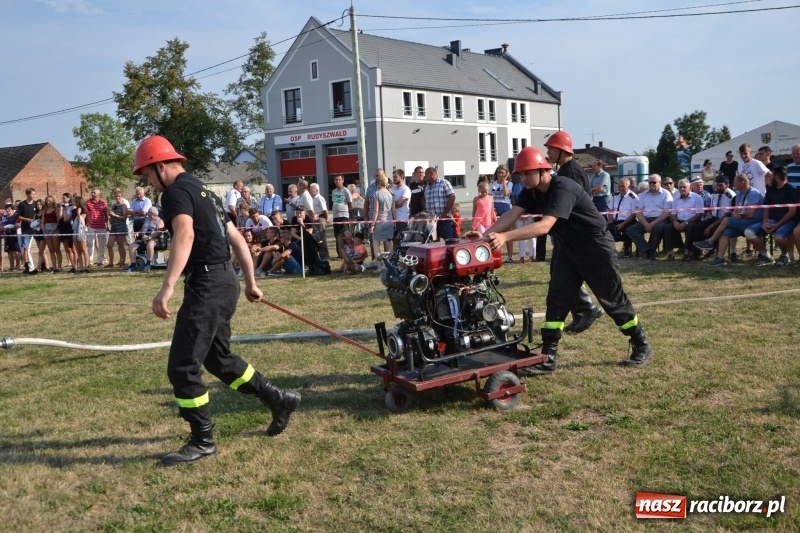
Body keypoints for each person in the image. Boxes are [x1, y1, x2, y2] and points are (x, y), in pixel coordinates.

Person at [132, 135, 300, 466]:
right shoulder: (204, 190)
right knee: (218, 360)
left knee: (182, 367)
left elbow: (185, 234)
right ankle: (278, 399)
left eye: (148, 175)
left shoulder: (176, 192)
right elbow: (235, 238)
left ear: (161, 166)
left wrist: (166, 287)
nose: (149, 182)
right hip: (225, 281)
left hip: (208, 284)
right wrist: (249, 282)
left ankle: (203, 441)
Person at [465, 146, 654, 372]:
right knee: (557, 298)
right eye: (520, 174)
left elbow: (545, 226)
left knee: (612, 300)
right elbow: (512, 214)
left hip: (595, 247)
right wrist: (485, 236)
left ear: (542, 170)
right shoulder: (531, 190)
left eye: (527, 173)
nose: (523, 178)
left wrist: (505, 236)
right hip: (567, 248)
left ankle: (641, 344)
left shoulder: (563, 187)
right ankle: (547, 357)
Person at [544, 130, 603, 333]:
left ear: (561, 150)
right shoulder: (566, 170)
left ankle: (587, 309)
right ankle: (582, 311)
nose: (548, 152)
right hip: (568, 233)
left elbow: (569, 205)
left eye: (551, 148)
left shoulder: (570, 172)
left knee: (566, 275)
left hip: (576, 234)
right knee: (561, 273)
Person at [695, 174, 763, 267]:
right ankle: (720, 258)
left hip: (754, 221)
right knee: (725, 232)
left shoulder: (753, 194)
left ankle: (710, 242)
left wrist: (738, 216)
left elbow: (750, 214)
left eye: (735, 182)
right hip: (742, 220)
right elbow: (735, 211)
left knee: (726, 220)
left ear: (742, 182)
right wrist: (735, 214)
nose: (733, 184)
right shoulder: (739, 194)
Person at [745, 166, 798, 266]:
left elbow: (792, 212)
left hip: (788, 221)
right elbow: (766, 207)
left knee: (779, 237)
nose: (770, 177)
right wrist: (765, 221)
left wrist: (777, 225)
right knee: (748, 232)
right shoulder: (770, 189)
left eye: (772, 175)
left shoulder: (792, 190)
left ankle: (784, 255)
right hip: (771, 221)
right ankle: (766, 255)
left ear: (777, 177)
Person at [686, 175, 736, 261]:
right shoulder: (715, 194)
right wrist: (708, 217)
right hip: (714, 217)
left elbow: (726, 215)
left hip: (724, 220)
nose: (719, 188)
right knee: (698, 227)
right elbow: (713, 210)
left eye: (721, 186)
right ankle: (694, 253)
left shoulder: (730, 196)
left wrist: (710, 226)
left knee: (712, 229)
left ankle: (713, 251)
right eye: (717, 186)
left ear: (727, 185)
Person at [625, 174, 673, 260]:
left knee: (658, 227)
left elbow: (667, 213)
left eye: (654, 182)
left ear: (660, 183)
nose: (651, 184)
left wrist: (652, 224)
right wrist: (646, 224)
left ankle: (651, 250)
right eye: (649, 182)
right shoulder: (642, 195)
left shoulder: (666, 194)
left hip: (660, 219)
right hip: (645, 219)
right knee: (631, 230)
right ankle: (648, 250)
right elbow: (638, 213)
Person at [662, 179, 703, 260]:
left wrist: (686, 223)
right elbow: (673, 214)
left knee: (690, 227)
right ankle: (670, 253)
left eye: (684, 187)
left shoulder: (697, 198)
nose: (682, 189)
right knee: (667, 228)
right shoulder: (676, 199)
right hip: (679, 220)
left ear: (690, 188)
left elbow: (699, 215)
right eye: (680, 187)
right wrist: (675, 222)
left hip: (693, 220)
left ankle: (687, 252)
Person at [125, 206, 166, 272]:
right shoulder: (147, 219)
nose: (148, 215)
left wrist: (150, 237)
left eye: (149, 214)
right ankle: (133, 265)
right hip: (144, 239)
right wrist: (138, 232)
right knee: (131, 246)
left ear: (154, 214)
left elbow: (159, 232)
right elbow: (143, 229)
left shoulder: (159, 221)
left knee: (150, 244)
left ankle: (148, 263)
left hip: (156, 240)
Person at [606, 177, 638, 258]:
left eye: (623, 186)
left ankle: (626, 249)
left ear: (629, 187)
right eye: (619, 186)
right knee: (604, 231)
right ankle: (610, 250)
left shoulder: (633, 197)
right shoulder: (614, 196)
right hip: (615, 220)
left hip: (628, 221)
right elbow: (610, 211)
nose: (620, 188)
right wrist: (611, 223)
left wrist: (622, 224)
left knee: (627, 231)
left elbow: (633, 214)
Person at [423, 167, 456, 241]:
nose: (424, 176)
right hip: (432, 221)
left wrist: (444, 213)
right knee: (434, 242)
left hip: (444, 219)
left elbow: (452, 197)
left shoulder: (444, 183)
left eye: (426, 174)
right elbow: (426, 201)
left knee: (449, 241)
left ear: (431, 174)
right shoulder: (427, 187)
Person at [490, 164, 514, 262]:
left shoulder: (509, 184)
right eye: (499, 172)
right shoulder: (492, 184)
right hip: (494, 208)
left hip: (505, 208)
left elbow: (505, 193)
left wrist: (504, 181)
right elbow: (489, 197)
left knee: (507, 233)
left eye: (502, 173)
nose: (500, 174)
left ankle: (510, 257)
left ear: (506, 174)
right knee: (494, 234)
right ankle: (495, 256)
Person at [371, 173, 395, 269]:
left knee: (376, 243)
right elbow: (393, 210)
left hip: (380, 221)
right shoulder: (391, 194)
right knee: (389, 244)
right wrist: (395, 221)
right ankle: (387, 265)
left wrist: (372, 224)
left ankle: (380, 266)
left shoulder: (377, 193)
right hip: (390, 221)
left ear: (379, 182)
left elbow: (376, 211)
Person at [85, 188, 109, 267]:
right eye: (92, 193)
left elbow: (106, 214)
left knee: (101, 244)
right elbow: (86, 214)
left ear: (98, 194)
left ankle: (100, 260)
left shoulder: (103, 202)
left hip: (101, 226)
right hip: (91, 225)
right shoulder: (88, 203)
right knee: (90, 243)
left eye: (94, 193)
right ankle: (89, 261)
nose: (92, 194)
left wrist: (107, 223)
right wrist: (86, 224)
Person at [16, 188, 38, 274]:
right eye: (32, 194)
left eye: (34, 194)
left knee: (40, 248)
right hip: (26, 229)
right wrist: (27, 219)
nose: (33, 195)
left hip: (36, 229)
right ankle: (27, 266)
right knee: (26, 248)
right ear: (27, 194)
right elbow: (18, 216)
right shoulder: (22, 204)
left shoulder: (36, 204)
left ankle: (43, 265)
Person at [330, 175, 353, 257]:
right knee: (337, 236)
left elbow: (350, 204)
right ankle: (340, 253)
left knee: (344, 235)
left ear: (342, 180)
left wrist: (348, 214)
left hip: (343, 216)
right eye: (336, 180)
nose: (338, 181)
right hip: (335, 216)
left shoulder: (346, 191)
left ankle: (347, 252)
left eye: (339, 180)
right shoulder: (333, 191)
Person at [107, 188, 129, 268]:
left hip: (121, 227)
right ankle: (111, 263)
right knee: (109, 245)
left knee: (120, 245)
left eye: (119, 196)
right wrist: (110, 217)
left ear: (122, 197)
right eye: (116, 196)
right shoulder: (114, 205)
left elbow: (124, 217)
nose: (117, 198)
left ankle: (122, 262)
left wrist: (115, 215)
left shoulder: (124, 205)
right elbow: (111, 215)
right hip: (114, 227)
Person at [41, 195, 62, 272]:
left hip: (55, 230)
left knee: (57, 249)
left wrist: (54, 230)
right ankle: (54, 267)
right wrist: (44, 231)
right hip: (46, 231)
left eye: (50, 201)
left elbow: (58, 221)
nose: (48, 202)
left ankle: (59, 267)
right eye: (47, 201)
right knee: (51, 250)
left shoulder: (56, 210)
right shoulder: (44, 211)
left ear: (53, 201)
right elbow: (42, 222)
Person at [390, 169, 411, 246]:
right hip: (392, 219)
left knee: (405, 240)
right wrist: (394, 204)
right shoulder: (391, 189)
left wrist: (392, 204)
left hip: (402, 219)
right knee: (392, 241)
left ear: (402, 177)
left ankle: (405, 255)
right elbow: (388, 204)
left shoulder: (406, 189)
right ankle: (394, 256)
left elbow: (399, 203)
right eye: (393, 177)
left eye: (395, 177)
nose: (393, 179)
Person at [70, 196, 90, 274]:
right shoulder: (74, 210)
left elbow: (81, 220)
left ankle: (86, 267)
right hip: (75, 230)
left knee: (84, 250)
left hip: (81, 231)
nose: (73, 201)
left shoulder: (83, 210)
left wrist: (78, 213)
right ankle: (80, 267)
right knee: (78, 251)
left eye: (74, 200)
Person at [58, 193, 76, 272]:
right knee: (67, 249)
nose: (63, 200)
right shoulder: (64, 208)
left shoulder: (72, 207)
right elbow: (60, 218)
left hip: (71, 227)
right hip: (63, 227)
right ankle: (72, 265)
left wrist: (66, 210)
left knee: (73, 249)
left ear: (69, 198)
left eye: (64, 198)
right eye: (62, 199)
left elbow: (67, 219)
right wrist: (62, 209)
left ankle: (76, 265)